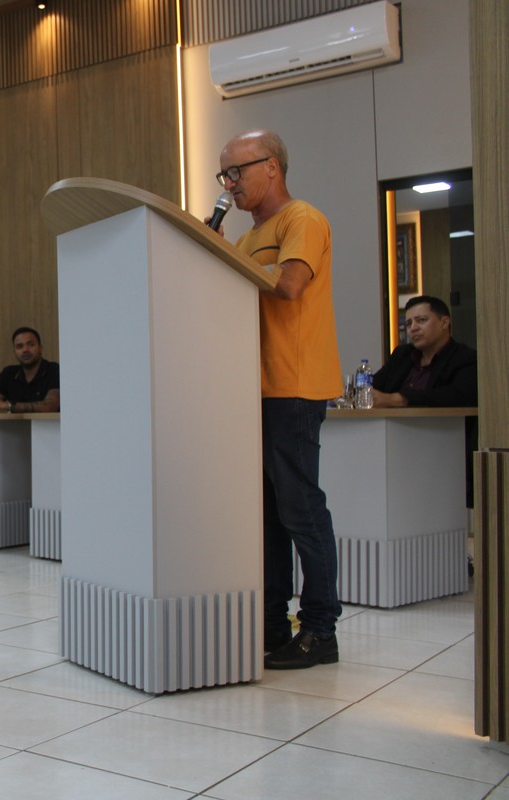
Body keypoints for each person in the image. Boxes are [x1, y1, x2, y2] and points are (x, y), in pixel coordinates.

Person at [220, 129, 342, 670]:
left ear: (271, 166)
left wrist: (225, 262)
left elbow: (290, 285)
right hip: (255, 391)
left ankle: (320, 629)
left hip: (294, 386)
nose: (229, 184)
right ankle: (272, 623)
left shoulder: (302, 219)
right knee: (267, 517)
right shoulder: (248, 238)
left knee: (301, 511)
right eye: (225, 174)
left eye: (237, 171)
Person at [372, 295, 477, 408]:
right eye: (409, 323)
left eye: (421, 320)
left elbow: (457, 396)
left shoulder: (465, 358)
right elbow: (372, 386)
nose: (413, 328)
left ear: (444, 322)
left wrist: (400, 399)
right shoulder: (402, 354)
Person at [0, 326, 61, 413]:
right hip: (16, 422)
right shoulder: (9, 373)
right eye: (20, 346)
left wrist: (9, 406)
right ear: (15, 352)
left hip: (48, 422)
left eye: (31, 344)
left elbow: (50, 406)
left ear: (40, 348)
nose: (25, 350)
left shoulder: (54, 370)